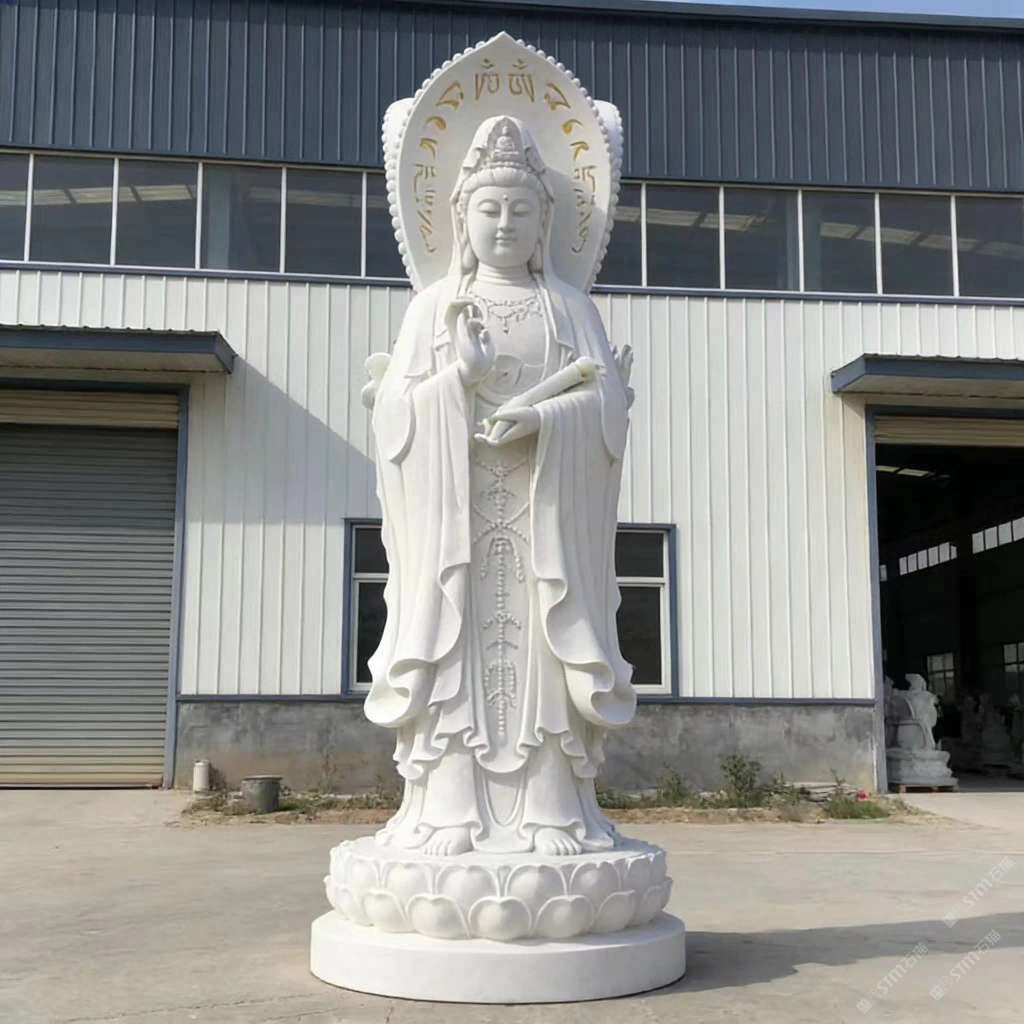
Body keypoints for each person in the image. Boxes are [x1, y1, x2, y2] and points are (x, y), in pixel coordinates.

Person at [363, 115, 635, 856]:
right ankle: (448, 812)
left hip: (544, 522)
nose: (505, 223)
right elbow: (395, 415)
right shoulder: (433, 309)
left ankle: (552, 812)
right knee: (455, 654)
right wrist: (461, 378)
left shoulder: (569, 308)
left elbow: (607, 410)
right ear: (461, 218)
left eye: (521, 209)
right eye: (490, 208)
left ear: (546, 222)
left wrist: (545, 418)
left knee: (543, 655)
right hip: (457, 529)